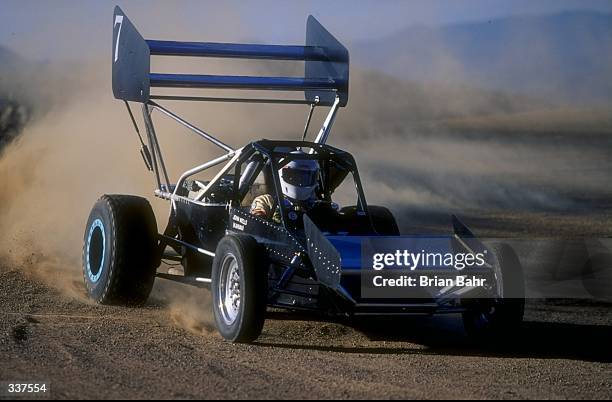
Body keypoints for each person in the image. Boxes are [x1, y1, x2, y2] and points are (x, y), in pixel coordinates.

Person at [250, 151, 319, 223]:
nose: (301, 181)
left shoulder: (316, 206)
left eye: (306, 178)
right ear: (283, 174)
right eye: (296, 177)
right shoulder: (266, 201)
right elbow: (255, 224)